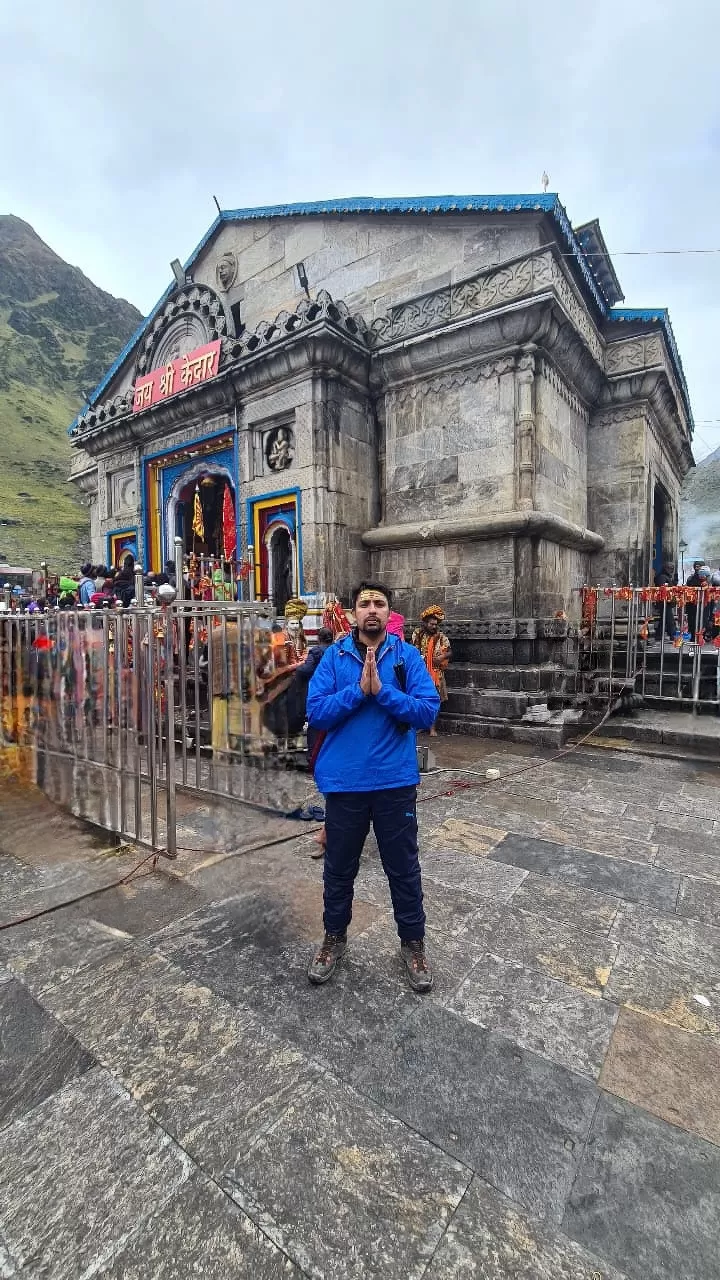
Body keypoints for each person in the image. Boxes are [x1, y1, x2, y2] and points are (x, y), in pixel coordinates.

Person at [306, 581, 440, 992]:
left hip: (394, 782)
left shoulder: (407, 657)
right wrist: (357, 691)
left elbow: (427, 709)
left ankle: (413, 944)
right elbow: (317, 712)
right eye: (364, 603)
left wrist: (382, 693)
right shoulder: (334, 657)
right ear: (352, 613)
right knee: (339, 869)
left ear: (389, 613)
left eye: (379, 604)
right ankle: (333, 937)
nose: (371, 610)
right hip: (345, 785)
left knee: (402, 868)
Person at [411, 605, 452, 736]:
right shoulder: (418, 634)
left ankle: (432, 728)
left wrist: (442, 656)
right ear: (425, 623)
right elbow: (412, 650)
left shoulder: (441, 637)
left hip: (436, 672)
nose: (434, 626)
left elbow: (450, 652)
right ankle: (422, 725)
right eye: (431, 624)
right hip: (421, 671)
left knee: (435, 699)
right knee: (419, 698)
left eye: (436, 624)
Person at [653, 562, 676, 642]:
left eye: (672, 568)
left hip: (667, 601)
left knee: (664, 619)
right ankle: (673, 635)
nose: (671, 570)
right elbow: (663, 588)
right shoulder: (662, 577)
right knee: (669, 619)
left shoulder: (667, 577)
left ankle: (659, 635)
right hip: (663, 601)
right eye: (669, 568)